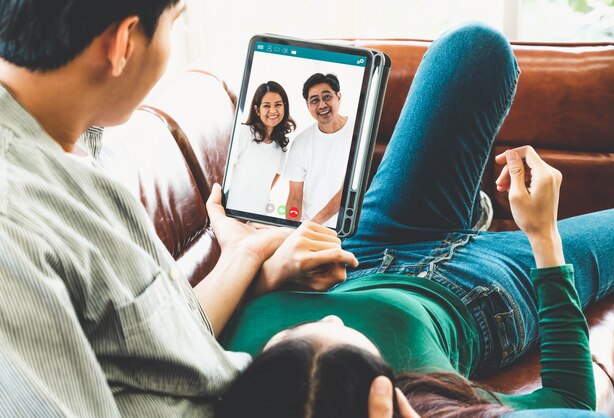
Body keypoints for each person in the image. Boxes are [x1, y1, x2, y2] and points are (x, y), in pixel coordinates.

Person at [216, 23, 614, 417]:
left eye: (289, 338)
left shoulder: (231, 373)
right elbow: (569, 401)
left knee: (474, 48)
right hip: (482, 292)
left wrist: (256, 257)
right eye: (347, 338)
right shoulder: (434, 403)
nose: (331, 315)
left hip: (364, 248)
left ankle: (468, 214)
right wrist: (544, 236)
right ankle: (471, 221)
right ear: (384, 399)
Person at [0, 1, 322, 416]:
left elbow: (154, 349)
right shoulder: (15, 226)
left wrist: (246, 255)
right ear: (121, 45)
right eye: (174, 24)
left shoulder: (77, 136)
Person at [283, 73, 355, 226]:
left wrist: (313, 225)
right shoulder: (300, 143)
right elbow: (295, 198)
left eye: (327, 97)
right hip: (310, 231)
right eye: (314, 100)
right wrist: (290, 230)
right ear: (307, 106)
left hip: (347, 230)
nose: (322, 105)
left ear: (339, 97)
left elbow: (349, 189)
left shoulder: (359, 133)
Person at [225, 81, 296, 215]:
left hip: (259, 214)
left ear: (285, 107)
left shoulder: (282, 144)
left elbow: (277, 173)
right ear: (257, 110)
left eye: (278, 105)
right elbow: (225, 172)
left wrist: (260, 195)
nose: (273, 111)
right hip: (232, 212)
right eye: (266, 106)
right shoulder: (244, 133)